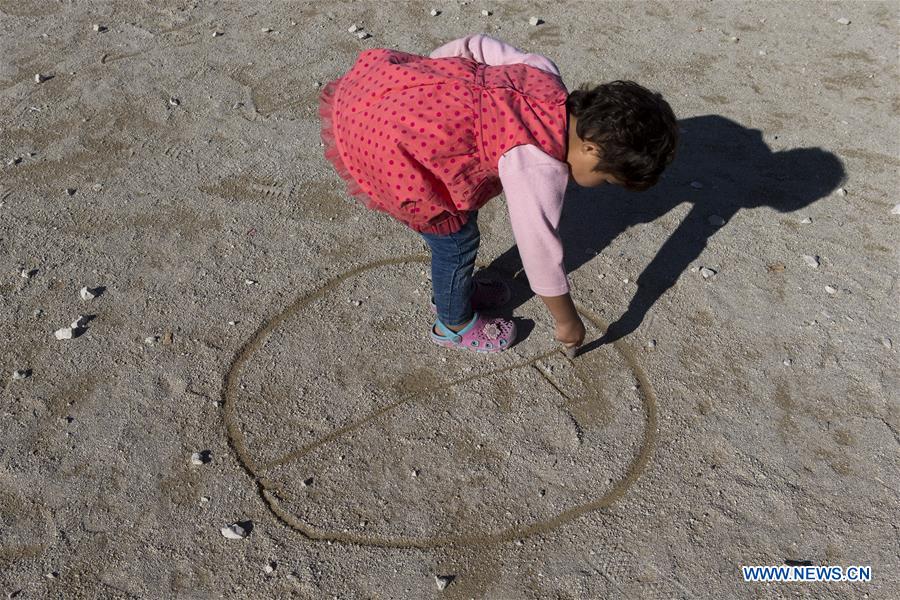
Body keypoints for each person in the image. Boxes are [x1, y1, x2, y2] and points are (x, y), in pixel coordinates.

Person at [318, 34, 678, 353]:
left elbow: (473, 44)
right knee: (456, 242)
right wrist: (566, 319)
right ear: (591, 150)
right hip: (395, 152)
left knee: (461, 223)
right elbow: (539, 250)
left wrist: (430, 73)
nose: (601, 186)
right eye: (607, 179)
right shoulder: (538, 164)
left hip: (384, 94)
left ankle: (456, 291)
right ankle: (452, 323)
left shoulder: (542, 72)